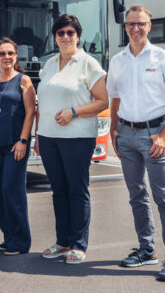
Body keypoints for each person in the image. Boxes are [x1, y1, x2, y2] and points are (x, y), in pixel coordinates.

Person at [107, 6, 165, 281]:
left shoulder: (164, 58)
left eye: (141, 24)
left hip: (153, 135)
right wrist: (113, 129)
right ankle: (146, 249)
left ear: (149, 26)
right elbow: (114, 97)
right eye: (131, 24)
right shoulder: (118, 60)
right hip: (126, 135)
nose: (135, 29)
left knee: (163, 196)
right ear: (125, 27)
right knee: (136, 194)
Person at [34, 14, 108, 264]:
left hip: (77, 138)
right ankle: (63, 242)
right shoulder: (50, 64)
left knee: (77, 191)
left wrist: (74, 112)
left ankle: (78, 244)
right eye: (60, 33)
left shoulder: (89, 64)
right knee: (58, 191)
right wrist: (37, 134)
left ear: (78, 36)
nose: (65, 37)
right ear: (55, 37)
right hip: (48, 138)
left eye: (70, 33)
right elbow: (41, 102)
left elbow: (103, 101)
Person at [0, 38, 36, 255]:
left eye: (10, 53)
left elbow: (30, 112)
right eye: (2, 53)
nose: (6, 57)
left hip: (15, 144)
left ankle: (21, 240)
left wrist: (23, 140)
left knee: (12, 189)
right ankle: (8, 236)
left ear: (16, 57)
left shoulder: (23, 80)